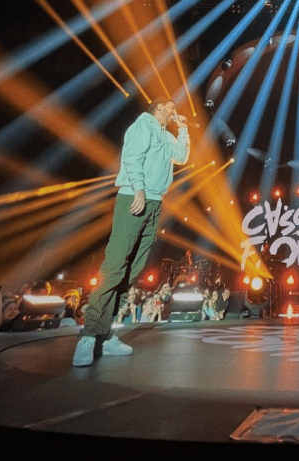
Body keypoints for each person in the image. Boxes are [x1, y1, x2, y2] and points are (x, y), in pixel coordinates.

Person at [73, 97, 191, 367]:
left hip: (154, 202)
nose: (174, 112)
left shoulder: (166, 135)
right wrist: (138, 188)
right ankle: (89, 335)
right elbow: (131, 157)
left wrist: (184, 130)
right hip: (134, 197)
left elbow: (182, 156)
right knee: (116, 265)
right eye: (171, 108)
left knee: (132, 270)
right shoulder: (143, 126)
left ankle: (106, 334)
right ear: (158, 108)